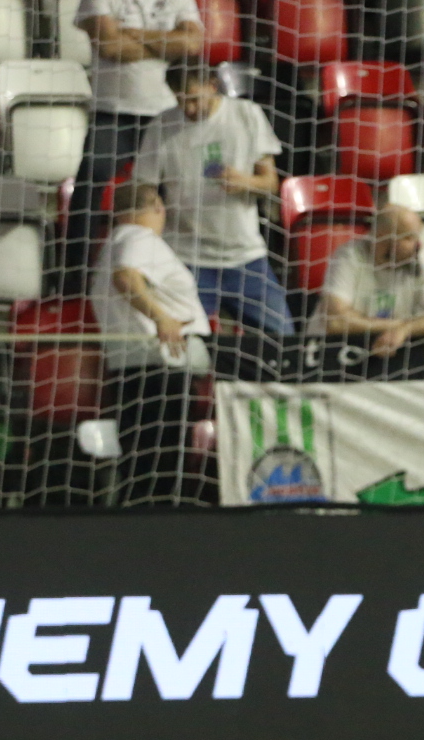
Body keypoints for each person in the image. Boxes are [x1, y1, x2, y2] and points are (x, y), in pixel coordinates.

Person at [131, 63, 291, 335]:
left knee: (283, 338)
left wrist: (246, 182)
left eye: (195, 99)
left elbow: (271, 183)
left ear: (213, 86)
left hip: (244, 255)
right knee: (185, 344)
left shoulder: (247, 114)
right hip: (185, 258)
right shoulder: (161, 125)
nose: (189, 109)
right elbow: (143, 189)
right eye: (181, 101)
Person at [67, 0, 204, 293]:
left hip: (166, 113)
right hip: (112, 112)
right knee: (90, 189)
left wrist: (135, 35)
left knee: (173, 192)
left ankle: (171, 279)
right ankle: (74, 282)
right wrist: (167, 44)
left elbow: (192, 44)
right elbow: (110, 47)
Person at [91, 183, 211, 505]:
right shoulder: (138, 238)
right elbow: (125, 277)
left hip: (135, 366)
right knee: (162, 464)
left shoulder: (113, 241)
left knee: (142, 463)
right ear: (159, 207)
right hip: (161, 366)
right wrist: (162, 318)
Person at [310, 205, 424, 355]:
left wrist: (405, 329)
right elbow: (336, 322)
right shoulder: (349, 257)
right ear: (384, 238)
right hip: (330, 351)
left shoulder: (419, 260)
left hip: (388, 351)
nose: (418, 245)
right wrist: (397, 326)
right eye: (409, 238)